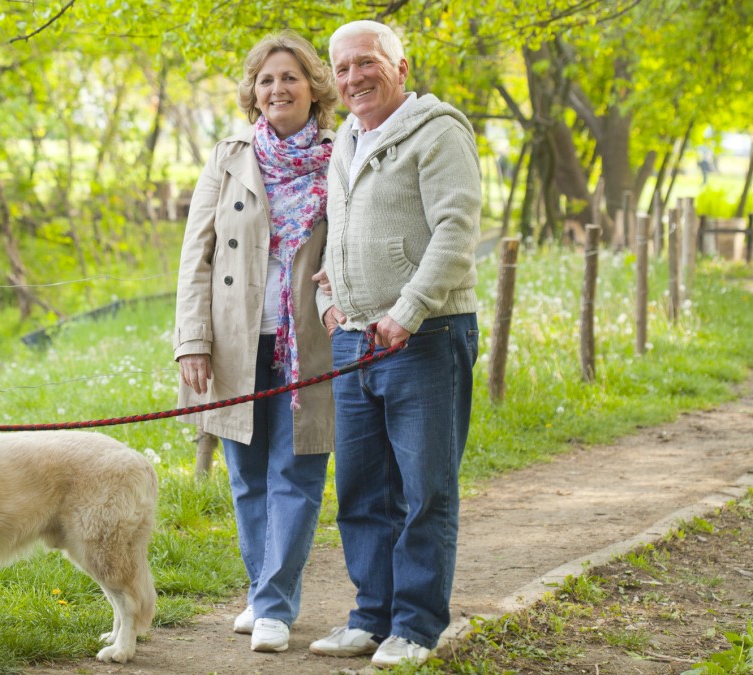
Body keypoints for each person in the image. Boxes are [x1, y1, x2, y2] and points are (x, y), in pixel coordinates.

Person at [307, 20, 481, 668]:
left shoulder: (438, 131)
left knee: (424, 489)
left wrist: (407, 312)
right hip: (355, 340)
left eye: (366, 63)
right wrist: (330, 300)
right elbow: (341, 238)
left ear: (400, 66)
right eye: (343, 67)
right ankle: (370, 615)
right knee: (361, 489)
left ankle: (415, 624)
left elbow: (456, 230)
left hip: (427, 336)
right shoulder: (345, 141)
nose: (354, 77)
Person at [173, 30, 339, 654]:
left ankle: (273, 604)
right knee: (245, 475)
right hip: (234, 339)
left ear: (313, 87)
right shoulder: (229, 156)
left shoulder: (338, 154)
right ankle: (262, 588)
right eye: (266, 80)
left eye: (290, 77)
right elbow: (197, 254)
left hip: (308, 342)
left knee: (295, 471)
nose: (277, 89)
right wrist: (192, 339)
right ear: (253, 91)